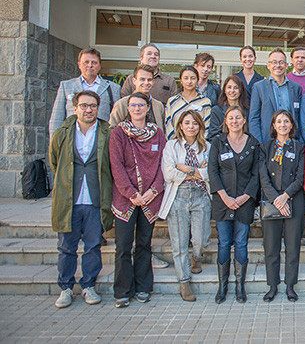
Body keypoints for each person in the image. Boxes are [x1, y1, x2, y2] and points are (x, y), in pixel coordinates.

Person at [49, 91, 113, 308]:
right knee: (66, 246)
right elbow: (56, 163)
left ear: (98, 108)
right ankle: (65, 288)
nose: (88, 110)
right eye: (84, 106)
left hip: (96, 198)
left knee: (94, 245)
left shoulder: (107, 132)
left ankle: (88, 285)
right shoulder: (62, 134)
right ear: (75, 108)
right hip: (70, 198)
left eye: (93, 106)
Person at [109, 92, 166, 308]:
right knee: (123, 246)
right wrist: (132, 194)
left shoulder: (158, 134)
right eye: (133, 105)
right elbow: (116, 166)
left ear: (148, 107)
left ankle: (143, 287)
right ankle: (123, 290)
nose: (137, 109)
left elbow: (164, 164)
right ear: (128, 107)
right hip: (127, 200)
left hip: (150, 199)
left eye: (141, 105)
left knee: (144, 244)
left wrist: (153, 191)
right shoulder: (118, 134)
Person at [209, 105, 260, 304]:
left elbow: (256, 174)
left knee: (241, 242)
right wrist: (225, 197)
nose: (235, 121)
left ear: (244, 120)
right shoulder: (218, 142)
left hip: (244, 202)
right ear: (226, 121)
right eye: (231, 118)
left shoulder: (253, 143)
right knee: (223, 243)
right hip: (223, 201)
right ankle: (223, 286)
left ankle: (240, 286)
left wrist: (245, 197)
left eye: (238, 118)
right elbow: (213, 172)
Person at [159, 110, 210, 302]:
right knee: (179, 242)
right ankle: (184, 281)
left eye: (195, 123)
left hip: (200, 196)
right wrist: (196, 171)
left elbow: (209, 173)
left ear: (200, 126)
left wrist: (186, 168)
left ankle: (196, 257)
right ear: (180, 125)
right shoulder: (171, 146)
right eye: (187, 123)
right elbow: (169, 174)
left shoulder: (207, 146)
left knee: (200, 239)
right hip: (178, 196)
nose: (191, 126)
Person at [259, 110, 305, 302]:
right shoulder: (265, 147)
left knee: (293, 246)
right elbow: (263, 176)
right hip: (272, 203)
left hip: (294, 201)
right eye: (279, 121)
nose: (283, 125)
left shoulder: (299, 147)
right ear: (274, 125)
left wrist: (286, 196)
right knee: (271, 246)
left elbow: (301, 176)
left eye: (286, 121)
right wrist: (276, 199)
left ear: (291, 125)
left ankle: (290, 285)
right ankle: (272, 285)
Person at [49, 48, 121, 136]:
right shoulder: (66, 86)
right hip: (72, 139)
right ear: (79, 65)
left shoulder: (113, 88)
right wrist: (55, 145)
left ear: (99, 66)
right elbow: (57, 119)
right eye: (86, 62)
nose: (90, 65)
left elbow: (117, 120)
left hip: (101, 140)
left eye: (94, 62)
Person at [248, 48, 303, 143]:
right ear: (268, 65)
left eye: (281, 62)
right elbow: (254, 118)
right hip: (267, 142)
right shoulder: (259, 87)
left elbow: (298, 117)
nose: (278, 65)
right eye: (274, 62)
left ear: (286, 65)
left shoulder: (296, 88)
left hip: (291, 141)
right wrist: (258, 143)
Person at [110, 64, 166, 130]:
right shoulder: (122, 104)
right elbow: (112, 129)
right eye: (142, 79)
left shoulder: (158, 106)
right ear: (134, 81)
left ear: (153, 82)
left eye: (149, 80)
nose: (146, 83)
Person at [164, 66, 212, 140]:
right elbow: (168, 125)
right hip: (176, 145)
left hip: (199, 146)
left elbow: (206, 127)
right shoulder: (172, 102)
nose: (189, 81)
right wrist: (174, 144)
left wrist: (200, 144)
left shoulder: (205, 102)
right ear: (180, 80)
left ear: (197, 80)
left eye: (193, 78)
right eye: (186, 78)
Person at [209, 75, 250, 140]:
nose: (232, 91)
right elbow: (213, 135)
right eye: (229, 87)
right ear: (225, 90)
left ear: (241, 90)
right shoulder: (217, 111)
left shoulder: (248, 111)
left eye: (236, 88)